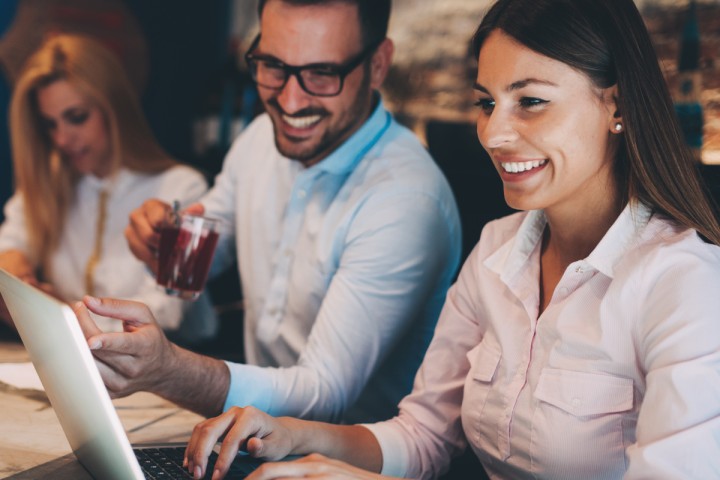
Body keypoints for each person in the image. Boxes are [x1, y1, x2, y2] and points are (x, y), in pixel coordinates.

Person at [177, 0, 720, 479]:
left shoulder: (684, 285)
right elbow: (423, 438)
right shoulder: (494, 253)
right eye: (487, 103)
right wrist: (296, 435)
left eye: (530, 101)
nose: (493, 134)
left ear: (618, 107)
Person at [74, 0, 462, 426]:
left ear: (378, 65)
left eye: (322, 73)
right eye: (273, 66)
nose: (290, 101)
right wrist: (163, 240)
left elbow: (324, 395)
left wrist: (168, 371)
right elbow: (204, 252)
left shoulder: (406, 199)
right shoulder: (261, 138)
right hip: (254, 441)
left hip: (349, 464)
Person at [0, 33, 218, 342]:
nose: (62, 139)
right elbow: (9, 245)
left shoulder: (183, 187)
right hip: (77, 364)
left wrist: (60, 316)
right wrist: (14, 270)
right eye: (50, 124)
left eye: (77, 118)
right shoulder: (51, 181)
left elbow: (166, 314)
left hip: (168, 372)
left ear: (114, 109)